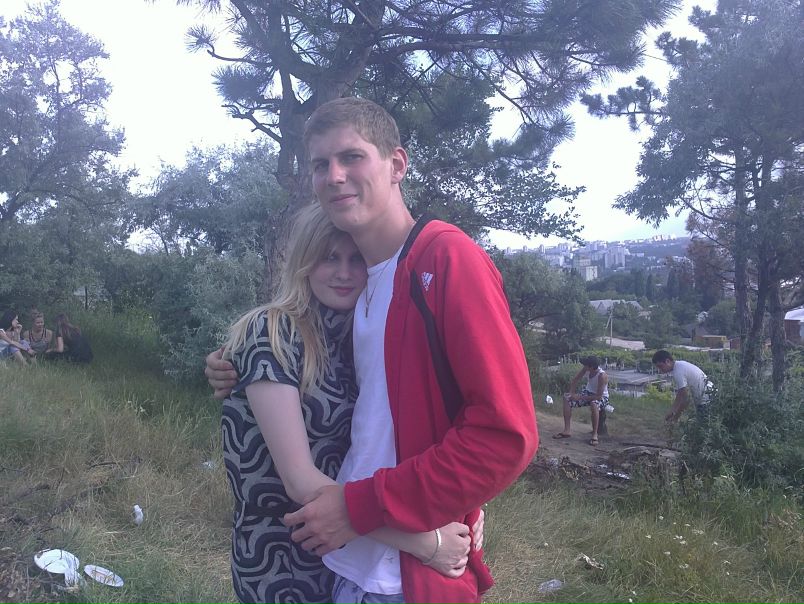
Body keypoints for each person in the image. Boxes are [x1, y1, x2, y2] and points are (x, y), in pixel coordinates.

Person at [207, 97, 537, 604]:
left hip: (403, 579)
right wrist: (229, 365)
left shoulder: (446, 259)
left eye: (352, 157)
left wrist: (368, 509)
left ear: (397, 165)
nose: (335, 176)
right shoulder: (362, 293)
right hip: (347, 567)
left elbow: (505, 434)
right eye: (321, 164)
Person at [221, 204, 473, 604]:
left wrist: (470, 504)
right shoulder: (272, 332)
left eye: (356, 259)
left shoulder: (361, 333)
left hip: (352, 553)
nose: (344, 272)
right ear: (305, 261)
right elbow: (300, 481)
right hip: (284, 556)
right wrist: (426, 543)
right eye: (330, 257)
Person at [553, 355, 609, 446]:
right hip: (588, 392)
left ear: (591, 366)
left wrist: (580, 397)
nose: (584, 366)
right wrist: (572, 393)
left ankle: (595, 434)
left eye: (586, 365)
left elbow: (598, 397)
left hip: (602, 396)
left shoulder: (602, 376)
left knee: (594, 404)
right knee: (566, 398)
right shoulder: (586, 369)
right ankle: (567, 430)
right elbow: (575, 380)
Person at [652, 350, 711, 422]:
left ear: (667, 361)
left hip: (707, 400)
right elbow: (680, 394)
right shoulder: (679, 365)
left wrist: (675, 418)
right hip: (708, 396)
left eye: (660, 366)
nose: (660, 370)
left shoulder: (678, 372)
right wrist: (672, 410)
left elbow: (686, 399)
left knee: (703, 425)